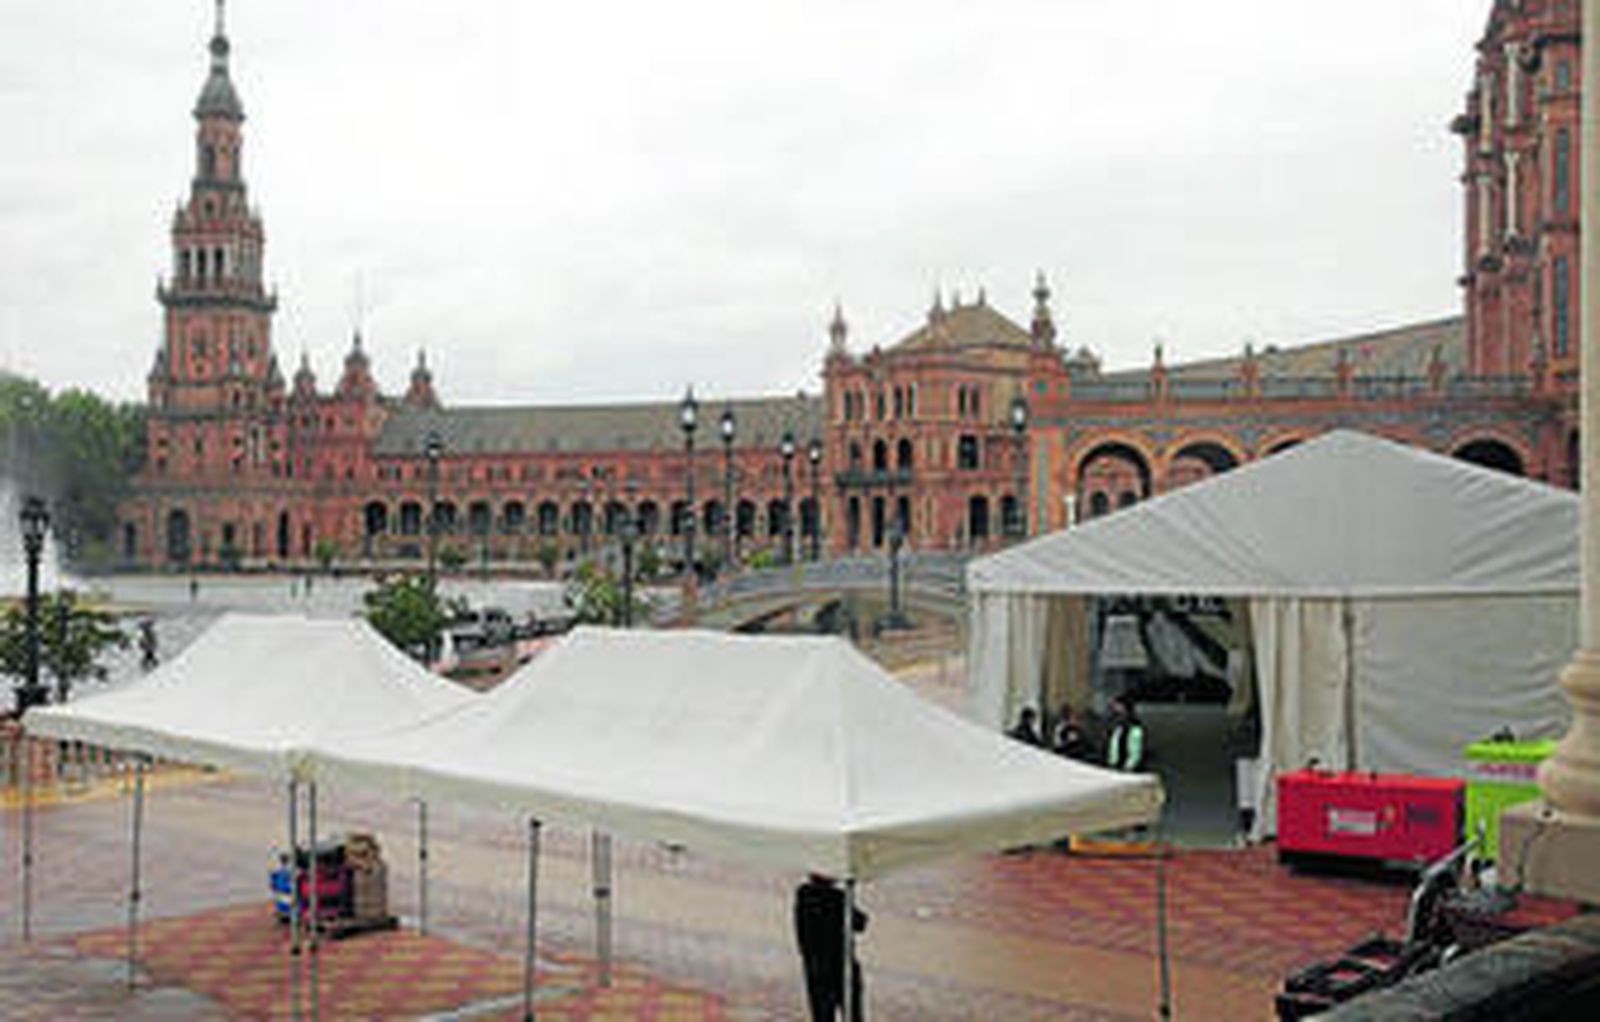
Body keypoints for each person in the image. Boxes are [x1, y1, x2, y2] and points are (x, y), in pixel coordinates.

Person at [793, 873, 867, 1021]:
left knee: (822, 1015)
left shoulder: (803, 895)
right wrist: (850, 895)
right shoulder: (837, 898)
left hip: (815, 968)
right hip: (841, 966)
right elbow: (860, 923)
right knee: (852, 1013)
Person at [1105, 696, 1148, 772]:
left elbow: (1135, 749)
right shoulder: (1115, 724)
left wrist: (1129, 766)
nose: (1114, 709)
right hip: (1114, 765)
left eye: (1117, 706)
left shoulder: (1133, 726)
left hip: (1125, 767)